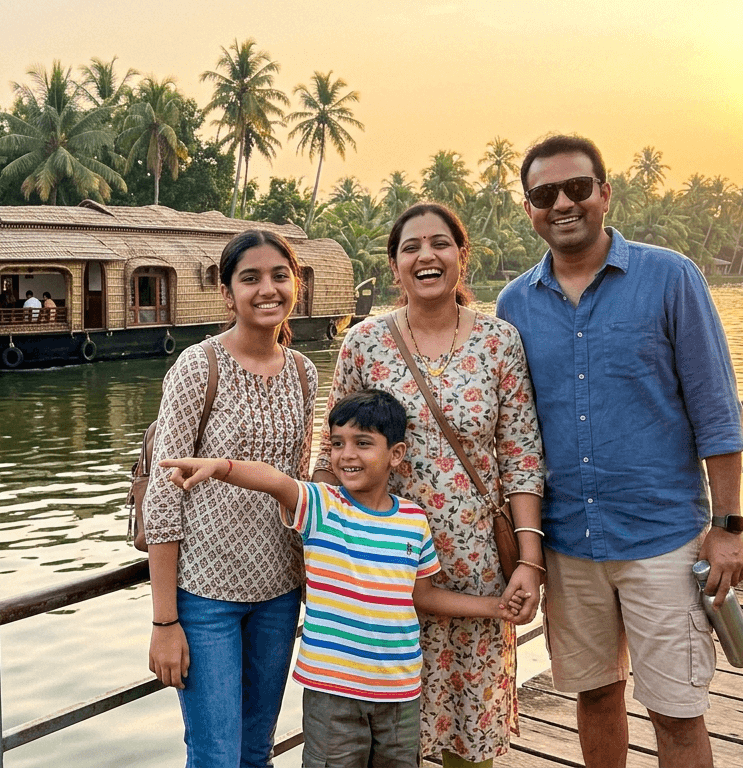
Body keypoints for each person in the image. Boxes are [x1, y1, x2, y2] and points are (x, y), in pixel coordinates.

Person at [496, 134, 743, 768]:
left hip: (661, 538)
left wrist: (727, 527)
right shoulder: (514, 305)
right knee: (595, 697)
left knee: (677, 710)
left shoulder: (670, 278)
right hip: (567, 544)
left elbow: (716, 412)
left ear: (604, 193)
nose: (562, 203)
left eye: (576, 188)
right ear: (528, 207)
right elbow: (508, 430)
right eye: (544, 193)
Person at [160, 389, 529, 768]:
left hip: (400, 694)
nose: (346, 454)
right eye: (337, 443)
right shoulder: (322, 507)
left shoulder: (413, 521)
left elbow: (424, 595)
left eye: (363, 443)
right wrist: (221, 467)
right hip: (333, 694)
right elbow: (273, 480)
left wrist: (495, 607)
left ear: (396, 455)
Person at [314, 203, 545, 768]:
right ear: (394, 266)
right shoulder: (364, 344)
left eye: (440, 244)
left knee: (471, 734)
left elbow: (520, 455)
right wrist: (325, 558)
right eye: (410, 247)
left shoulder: (499, 341)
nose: (426, 256)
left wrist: (529, 563)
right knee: (387, 738)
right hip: (382, 568)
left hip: (478, 565)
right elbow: (333, 451)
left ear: (462, 257)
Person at [144, 229, 319, 768]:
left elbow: (299, 483)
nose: (267, 290)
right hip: (205, 596)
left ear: (296, 285)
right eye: (250, 279)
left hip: (279, 592)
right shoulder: (200, 367)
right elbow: (163, 495)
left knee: (255, 752)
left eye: (279, 276)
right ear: (227, 293)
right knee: (217, 756)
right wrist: (164, 622)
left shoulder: (304, 373)